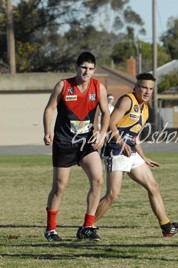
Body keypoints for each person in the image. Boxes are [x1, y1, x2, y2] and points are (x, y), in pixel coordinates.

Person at [94, 72, 178, 237]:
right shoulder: (127, 100)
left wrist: (143, 157)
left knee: (153, 186)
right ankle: (87, 226)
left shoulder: (145, 108)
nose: (147, 91)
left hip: (130, 151)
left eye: (150, 89)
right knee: (113, 195)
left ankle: (167, 227)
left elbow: (134, 136)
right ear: (136, 86)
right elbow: (110, 123)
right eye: (144, 87)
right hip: (116, 150)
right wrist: (122, 143)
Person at [42, 52, 110, 242]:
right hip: (64, 142)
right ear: (76, 67)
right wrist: (47, 130)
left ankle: (87, 227)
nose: (86, 72)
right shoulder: (64, 85)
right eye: (83, 67)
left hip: (86, 143)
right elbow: (49, 108)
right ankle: (50, 230)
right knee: (59, 186)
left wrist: (103, 133)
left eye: (90, 69)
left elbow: (106, 113)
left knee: (98, 179)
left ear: (94, 70)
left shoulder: (99, 87)